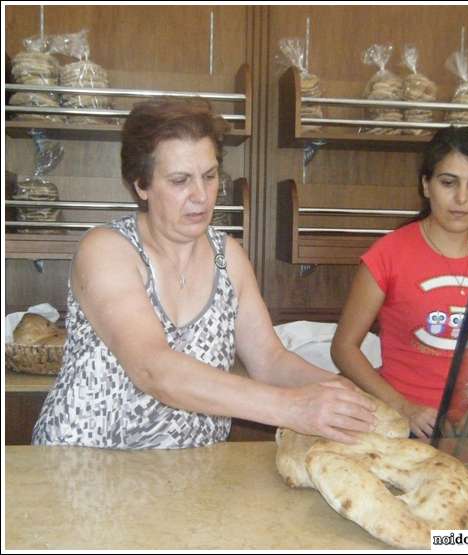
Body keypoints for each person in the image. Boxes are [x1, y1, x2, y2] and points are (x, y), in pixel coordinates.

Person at [32, 100, 375, 449]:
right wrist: (292, 408)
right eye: (180, 180)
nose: (200, 195)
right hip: (81, 468)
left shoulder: (228, 258)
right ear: (141, 185)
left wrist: (349, 396)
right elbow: (154, 370)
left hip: (186, 475)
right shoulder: (106, 250)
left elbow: (269, 360)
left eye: (209, 177)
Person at [331, 126, 468, 439]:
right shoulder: (387, 254)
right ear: (426, 185)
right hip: (400, 425)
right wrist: (404, 408)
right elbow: (344, 348)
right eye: (448, 183)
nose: (461, 198)